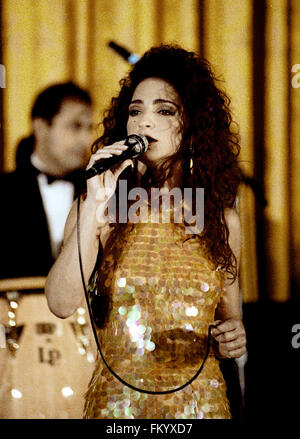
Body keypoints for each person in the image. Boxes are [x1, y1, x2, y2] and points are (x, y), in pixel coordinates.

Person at [45, 45, 247, 419]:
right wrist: (92, 207)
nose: (143, 122)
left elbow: (231, 321)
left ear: (193, 126)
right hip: (118, 408)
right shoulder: (102, 207)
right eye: (135, 111)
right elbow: (60, 303)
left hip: (200, 406)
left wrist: (234, 336)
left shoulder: (220, 217)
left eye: (164, 110)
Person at [0, 82, 93, 279]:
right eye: (75, 126)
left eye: (89, 128)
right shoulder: (4, 191)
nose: (86, 139)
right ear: (41, 127)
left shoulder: (96, 191)